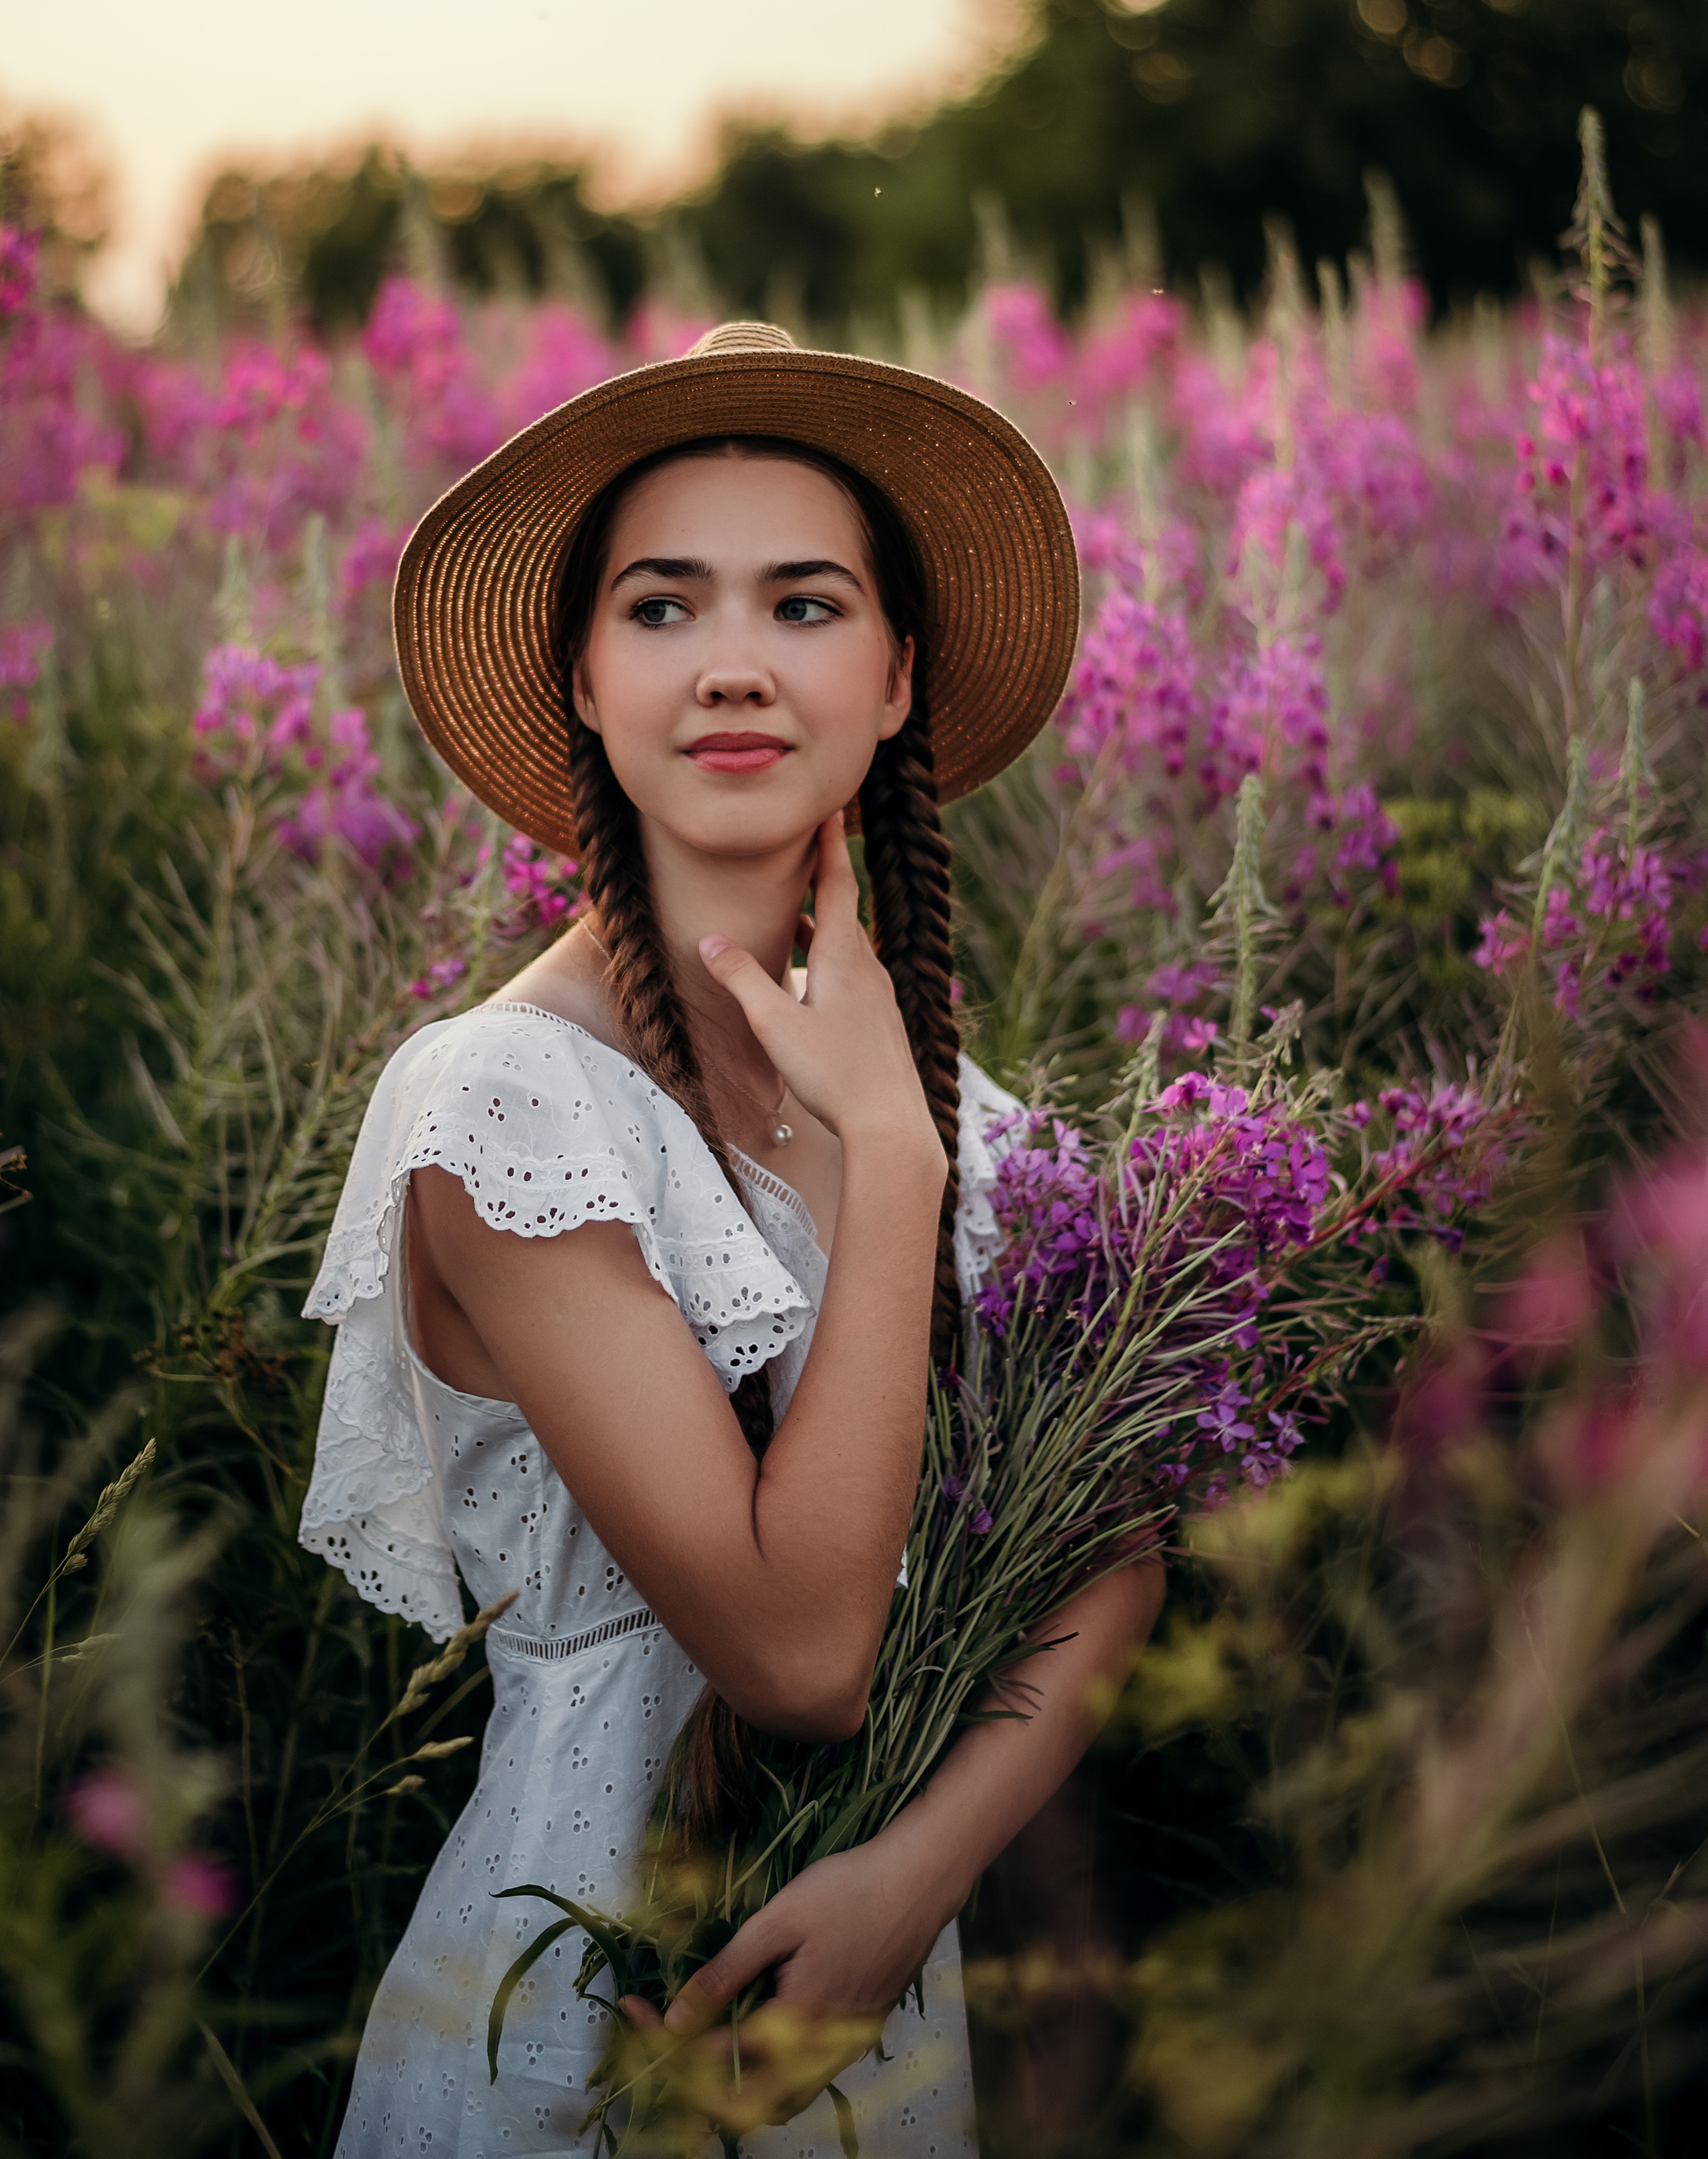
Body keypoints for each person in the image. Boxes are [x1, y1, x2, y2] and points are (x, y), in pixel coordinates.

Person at [299, 320, 1163, 2156]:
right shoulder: (503, 1110)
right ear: (585, 682)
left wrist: (908, 1880)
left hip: (872, 2010)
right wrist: (890, 1161)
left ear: (897, 674)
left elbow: (1112, 1559)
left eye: (805, 603)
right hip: (578, 2001)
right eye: (664, 608)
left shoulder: (970, 1118)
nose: (732, 668)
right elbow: (796, 1652)